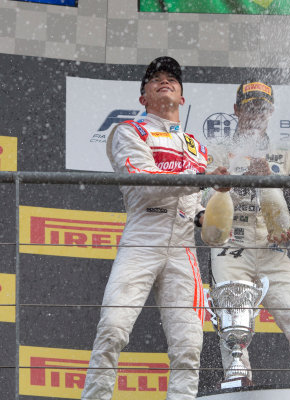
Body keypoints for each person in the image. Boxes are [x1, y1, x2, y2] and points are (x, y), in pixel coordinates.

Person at [81, 56, 226, 400]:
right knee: (113, 329)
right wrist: (201, 178)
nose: (165, 81)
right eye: (155, 78)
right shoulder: (129, 131)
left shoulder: (196, 147)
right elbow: (145, 183)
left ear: (183, 97)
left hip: (183, 249)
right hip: (142, 238)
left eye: (172, 78)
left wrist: (209, 217)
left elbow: (194, 205)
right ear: (143, 97)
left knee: (189, 346)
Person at [202, 80, 290, 384]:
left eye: (261, 108)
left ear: (270, 111)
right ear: (236, 110)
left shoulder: (286, 158)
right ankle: (238, 387)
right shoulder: (217, 154)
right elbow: (202, 208)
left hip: (272, 251)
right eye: (248, 108)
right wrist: (228, 185)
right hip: (230, 247)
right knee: (231, 326)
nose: (254, 114)